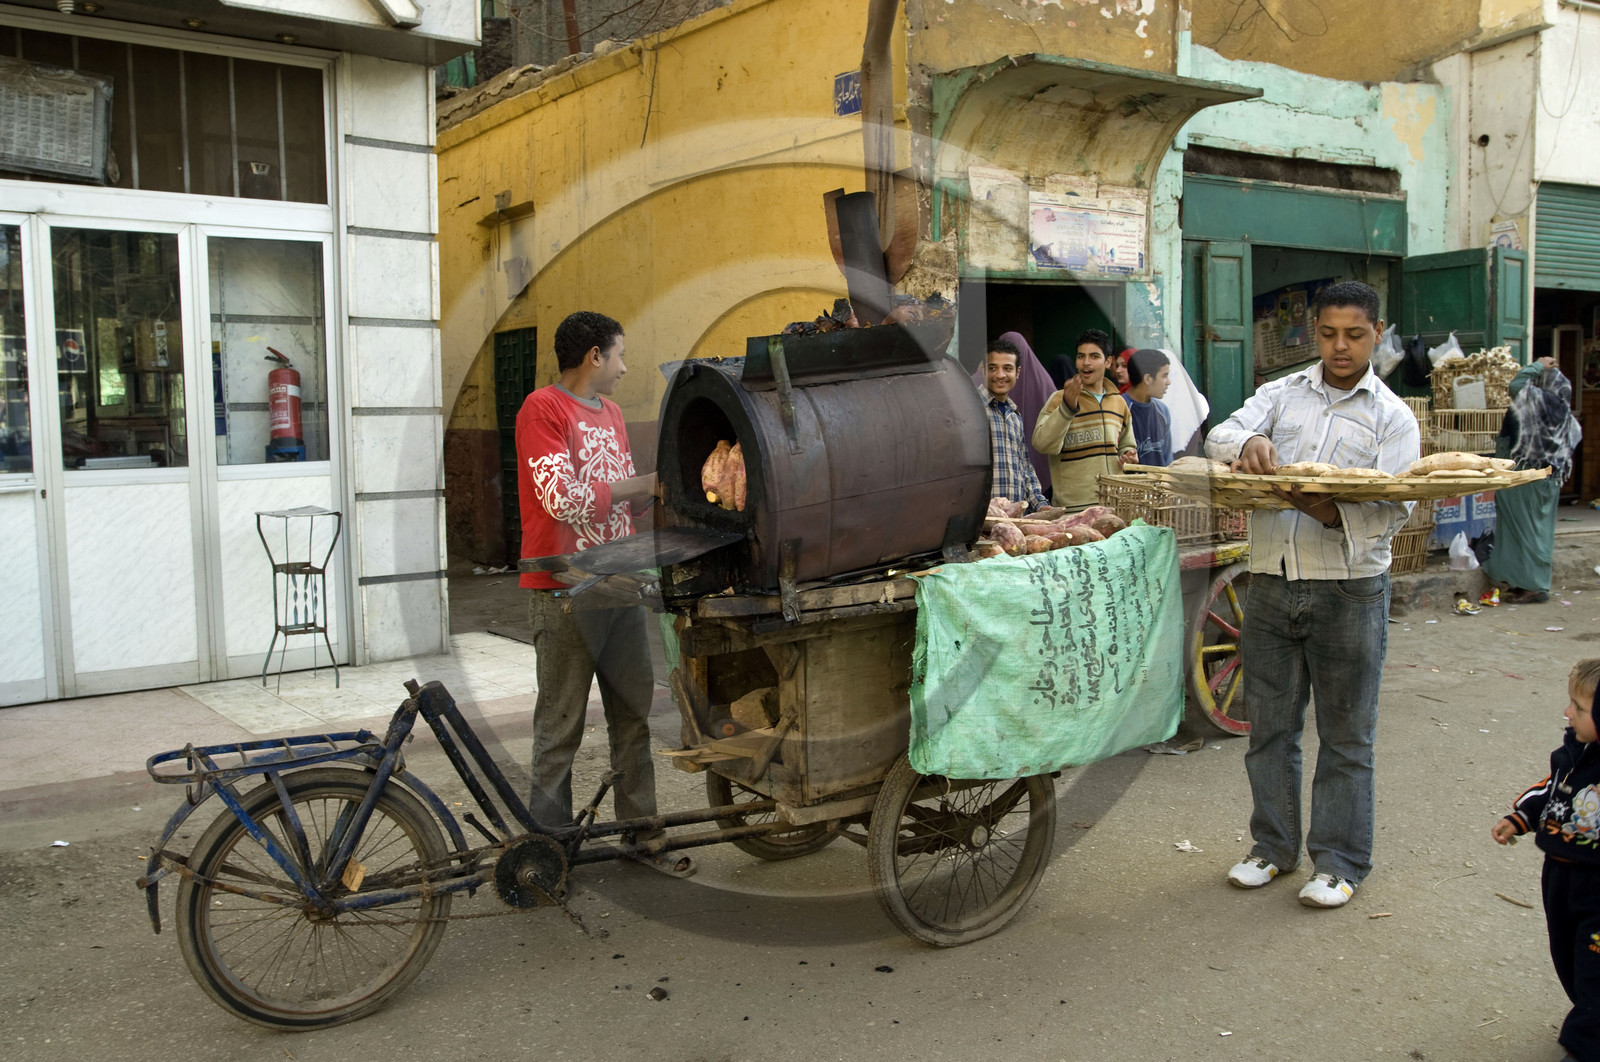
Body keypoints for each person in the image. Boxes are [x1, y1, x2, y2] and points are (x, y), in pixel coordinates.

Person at [1203, 280, 1420, 908]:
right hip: (1270, 585)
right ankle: (1271, 849)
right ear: (1314, 333)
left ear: (1377, 333)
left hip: (1349, 592)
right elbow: (1219, 433)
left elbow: (1398, 505)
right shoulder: (1281, 395)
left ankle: (1341, 861)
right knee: (1269, 730)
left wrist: (1328, 513)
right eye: (1328, 334)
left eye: (1354, 334)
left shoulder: (1391, 417)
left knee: (1347, 735)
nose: (1340, 346)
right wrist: (1248, 443)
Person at [516, 310, 692, 877]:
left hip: (619, 585)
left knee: (632, 716)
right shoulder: (542, 409)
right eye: (619, 355)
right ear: (594, 356)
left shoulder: (612, 413)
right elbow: (563, 500)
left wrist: (657, 491)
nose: (624, 366)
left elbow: (616, 495)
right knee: (560, 728)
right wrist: (639, 485)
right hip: (564, 588)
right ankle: (550, 855)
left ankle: (642, 834)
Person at [1490, 658, 1600, 1062]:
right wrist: (1521, 817)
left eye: (1580, 707)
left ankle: (1587, 1047)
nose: (1568, 712)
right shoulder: (1573, 753)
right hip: (1560, 879)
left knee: (1595, 972)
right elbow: (1552, 789)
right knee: (1569, 958)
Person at [1484, 356, 1583, 604]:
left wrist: (1537, 365)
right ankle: (1522, 581)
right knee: (1531, 530)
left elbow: (1517, 386)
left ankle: (1534, 587)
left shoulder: (1542, 401)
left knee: (1523, 530)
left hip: (1526, 477)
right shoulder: (1563, 412)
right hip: (1547, 480)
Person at [1031, 328, 1137, 511]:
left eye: (1094, 356)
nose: (1086, 363)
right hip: (1073, 513)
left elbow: (1128, 444)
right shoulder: (1059, 399)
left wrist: (1129, 456)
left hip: (1114, 508)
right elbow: (1041, 443)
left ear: (1108, 361)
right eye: (1081, 356)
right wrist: (1067, 407)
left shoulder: (1119, 402)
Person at [969, 330, 1055, 490]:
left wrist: (1040, 504)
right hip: (985, 507)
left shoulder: (1014, 416)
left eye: (1008, 368)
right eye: (994, 368)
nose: (1000, 375)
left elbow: (1025, 468)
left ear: (1018, 371)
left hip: (1018, 505)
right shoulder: (972, 408)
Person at [1124, 348, 1174, 467]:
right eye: (1164, 375)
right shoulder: (1120, 408)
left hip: (1160, 484)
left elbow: (1167, 459)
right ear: (1147, 379)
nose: (1168, 382)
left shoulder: (1162, 410)